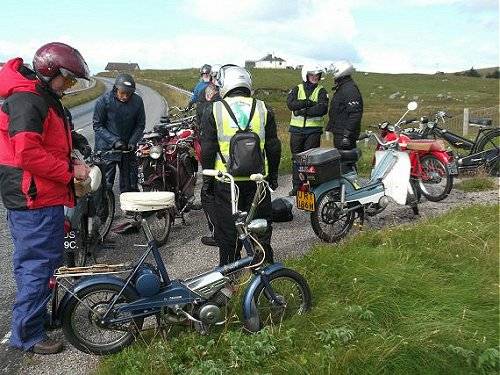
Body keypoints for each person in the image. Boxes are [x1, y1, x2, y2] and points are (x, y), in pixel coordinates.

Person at [0, 42, 91, 354]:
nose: (69, 86)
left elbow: (50, 142)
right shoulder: (29, 100)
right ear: (51, 72)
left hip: (42, 196)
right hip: (33, 199)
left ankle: (34, 321)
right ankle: (26, 335)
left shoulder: (43, 97)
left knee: (45, 264)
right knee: (37, 267)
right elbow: (28, 153)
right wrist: (69, 172)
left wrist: (74, 153)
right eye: (67, 80)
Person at [200, 65, 281, 266]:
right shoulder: (263, 108)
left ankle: (230, 277)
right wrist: (274, 176)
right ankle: (265, 273)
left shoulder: (215, 109)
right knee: (260, 231)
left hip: (227, 183)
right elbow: (273, 146)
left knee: (228, 234)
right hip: (257, 182)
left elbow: (208, 149)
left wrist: (207, 182)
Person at [93, 73, 145, 192]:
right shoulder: (104, 101)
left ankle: (131, 209)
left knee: (130, 185)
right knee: (105, 185)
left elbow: (140, 125)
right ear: (116, 89)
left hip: (127, 149)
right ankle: (105, 209)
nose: (125, 96)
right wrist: (114, 141)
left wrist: (133, 141)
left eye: (129, 94)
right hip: (107, 149)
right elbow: (97, 125)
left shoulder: (137, 101)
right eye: (122, 93)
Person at [286, 64, 329, 196]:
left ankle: (310, 186)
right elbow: (290, 104)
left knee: (310, 160)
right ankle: (296, 186)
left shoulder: (321, 90)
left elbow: (322, 109)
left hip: (313, 131)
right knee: (296, 159)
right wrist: (308, 102)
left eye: (317, 75)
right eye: (312, 75)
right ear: (306, 75)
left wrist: (303, 110)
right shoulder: (297, 89)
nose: (315, 77)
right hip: (296, 131)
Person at [198, 64, 222, 247]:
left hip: (217, 160)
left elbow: (207, 142)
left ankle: (217, 233)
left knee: (209, 194)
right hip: (241, 161)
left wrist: (206, 172)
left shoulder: (211, 103)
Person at [326, 60, 363, 150]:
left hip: (344, 134)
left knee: (345, 161)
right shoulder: (343, 87)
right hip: (340, 131)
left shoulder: (349, 89)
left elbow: (355, 113)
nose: (333, 74)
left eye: (335, 71)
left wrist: (347, 133)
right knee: (341, 159)